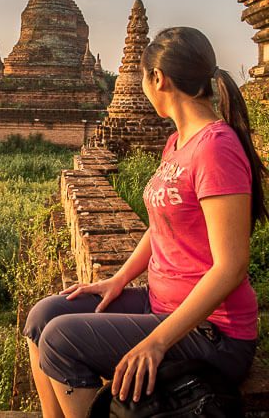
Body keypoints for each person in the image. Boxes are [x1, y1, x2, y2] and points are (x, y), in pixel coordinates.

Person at [23, 27, 268, 418]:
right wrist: (118, 279)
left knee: (60, 339)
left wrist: (156, 341)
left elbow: (232, 266)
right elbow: (161, 224)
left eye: (143, 78)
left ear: (158, 79)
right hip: (162, 303)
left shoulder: (216, 149)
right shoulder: (177, 143)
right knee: (43, 316)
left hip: (215, 334)